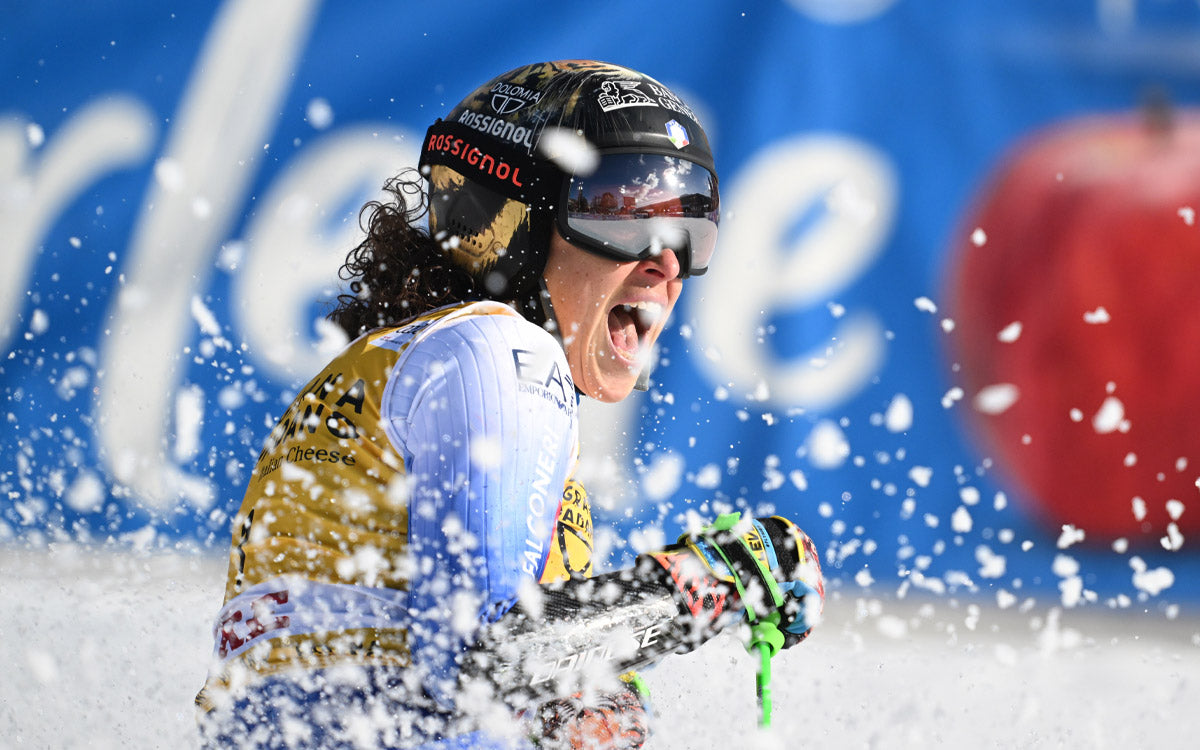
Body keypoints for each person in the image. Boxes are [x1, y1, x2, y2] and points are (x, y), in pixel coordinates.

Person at [196, 60, 824, 750]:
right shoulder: (498, 351)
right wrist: (712, 583)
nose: (666, 261)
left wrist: (602, 686)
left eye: (691, 222)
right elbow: (482, 664)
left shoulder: (409, 366)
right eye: (620, 211)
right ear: (508, 224)